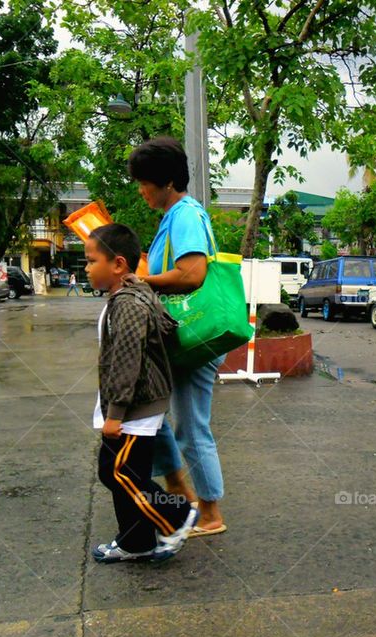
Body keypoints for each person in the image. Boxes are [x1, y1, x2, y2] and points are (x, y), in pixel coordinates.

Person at [129, 136, 228, 537]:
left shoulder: (185, 215)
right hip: (176, 337)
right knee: (150, 412)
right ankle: (179, 490)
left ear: (167, 182)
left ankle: (210, 512)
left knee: (190, 426)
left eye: (144, 182)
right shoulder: (173, 217)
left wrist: (142, 281)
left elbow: (192, 273)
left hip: (191, 339)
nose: (141, 190)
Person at [84, 222, 199, 563]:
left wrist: (115, 414)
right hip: (134, 407)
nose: (86, 268)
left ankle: (177, 516)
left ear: (118, 264)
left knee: (117, 473)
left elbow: (127, 361)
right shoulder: (128, 294)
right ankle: (136, 542)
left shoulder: (129, 303)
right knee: (124, 474)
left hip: (134, 408)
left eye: (91, 261)